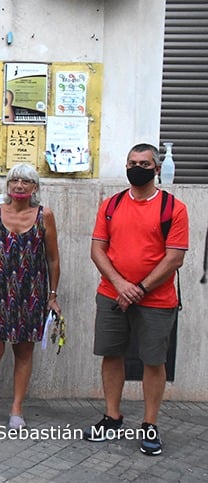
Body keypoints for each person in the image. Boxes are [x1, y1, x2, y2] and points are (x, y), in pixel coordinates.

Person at [84, 143, 189, 456]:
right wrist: (120, 285)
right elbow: (97, 250)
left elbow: (175, 258)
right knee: (111, 354)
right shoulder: (111, 205)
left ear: (156, 169)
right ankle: (112, 416)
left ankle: (150, 425)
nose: (137, 168)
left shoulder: (174, 208)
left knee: (153, 361)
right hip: (112, 295)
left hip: (157, 300)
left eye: (144, 163)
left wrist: (139, 288)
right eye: (132, 162)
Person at [0, 163, 61, 430]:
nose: (19, 185)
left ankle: (17, 409)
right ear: (7, 185)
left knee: (23, 349)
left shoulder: (45, 215)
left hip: (30, 291)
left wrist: (52, 295)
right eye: (14, 180)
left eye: (26, 181)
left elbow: (53, 259)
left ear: (35, 187)